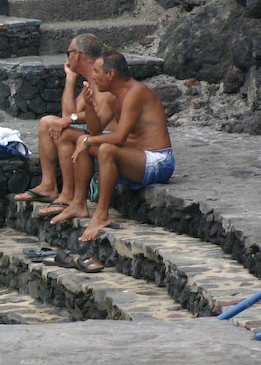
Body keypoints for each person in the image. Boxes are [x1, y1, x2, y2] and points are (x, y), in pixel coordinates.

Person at [50, 51, 174, 241]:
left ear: (110, 74)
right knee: (82, 140)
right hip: (133, 156)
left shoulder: (135, 93)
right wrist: (89, 106)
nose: (93, 76)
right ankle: (78, 204)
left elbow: (119, 138)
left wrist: (89, 141)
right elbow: (95, 129)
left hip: (158, 160)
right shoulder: (112, 97)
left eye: (96, 71)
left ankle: (101, 215)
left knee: (104, 148)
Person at [13, 33, 115, 215]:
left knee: (64, 132)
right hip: (92, 133)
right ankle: (49, 185)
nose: (67, 58)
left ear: (77, 54)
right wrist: (70, 79)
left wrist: (70, 119)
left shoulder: (103, 77)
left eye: (68, 53)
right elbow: (68, 114)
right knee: (47, 123)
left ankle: (68, 193)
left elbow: (88, 116)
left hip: (106, 138)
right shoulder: (89, 79)